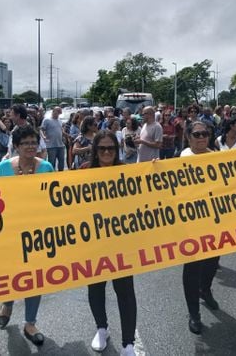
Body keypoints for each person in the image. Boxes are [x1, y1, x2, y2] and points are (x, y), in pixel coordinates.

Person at [0, 125, 54, 347]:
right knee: (11, 274)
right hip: (10, 233)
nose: (30, 146)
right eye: (25, 143)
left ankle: (30, 323)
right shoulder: (3, 168)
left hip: (38, 234)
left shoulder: (47, 167)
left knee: (34, 277)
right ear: (16, 146)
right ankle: (7, 303)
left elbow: (56, 199)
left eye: (33, 142)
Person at [82, 130, 137, 356]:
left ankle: (128, 343)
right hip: (93, 243)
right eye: (102, 148)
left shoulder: (127, 172)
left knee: (125, 291)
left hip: (122, 243)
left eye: (111, 148)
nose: (106, 152)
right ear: (95, 150)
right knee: (96, 288)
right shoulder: (83, 172)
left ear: (117, 150)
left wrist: (154, 170)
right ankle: (101, 329)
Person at [180, 120, 220, 334]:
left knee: (213, 262)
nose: (201, 137)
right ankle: (193, 313)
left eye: (205, 133)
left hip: (214, 219)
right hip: (191, 223)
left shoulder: (217, 157)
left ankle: (205, 289)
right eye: (197, 134)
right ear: (189, 138)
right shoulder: (184, 158)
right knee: (193, 267)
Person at [42, 106, 65, 171]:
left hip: (60, 145)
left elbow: (60, 130)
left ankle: (61, 175)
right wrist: (43, 136)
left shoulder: (60, 121)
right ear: (53, 111)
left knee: (61, 163)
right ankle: (51, 176)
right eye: (58, 112)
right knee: (52, 163)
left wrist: (65, 136)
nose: (58, 114)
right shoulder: (47, 120)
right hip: (51, 145)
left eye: (60, 113)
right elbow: (41, 129)